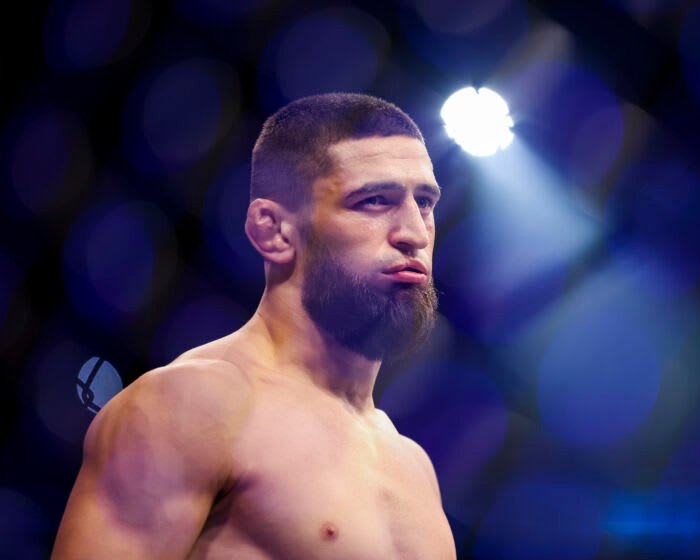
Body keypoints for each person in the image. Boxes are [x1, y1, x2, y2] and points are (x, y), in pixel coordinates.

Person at [52, 93, 456, 559]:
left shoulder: (413, 466)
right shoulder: (194, 406)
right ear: (274, 230)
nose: (415, 232)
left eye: (424, 202)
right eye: (373, 201)